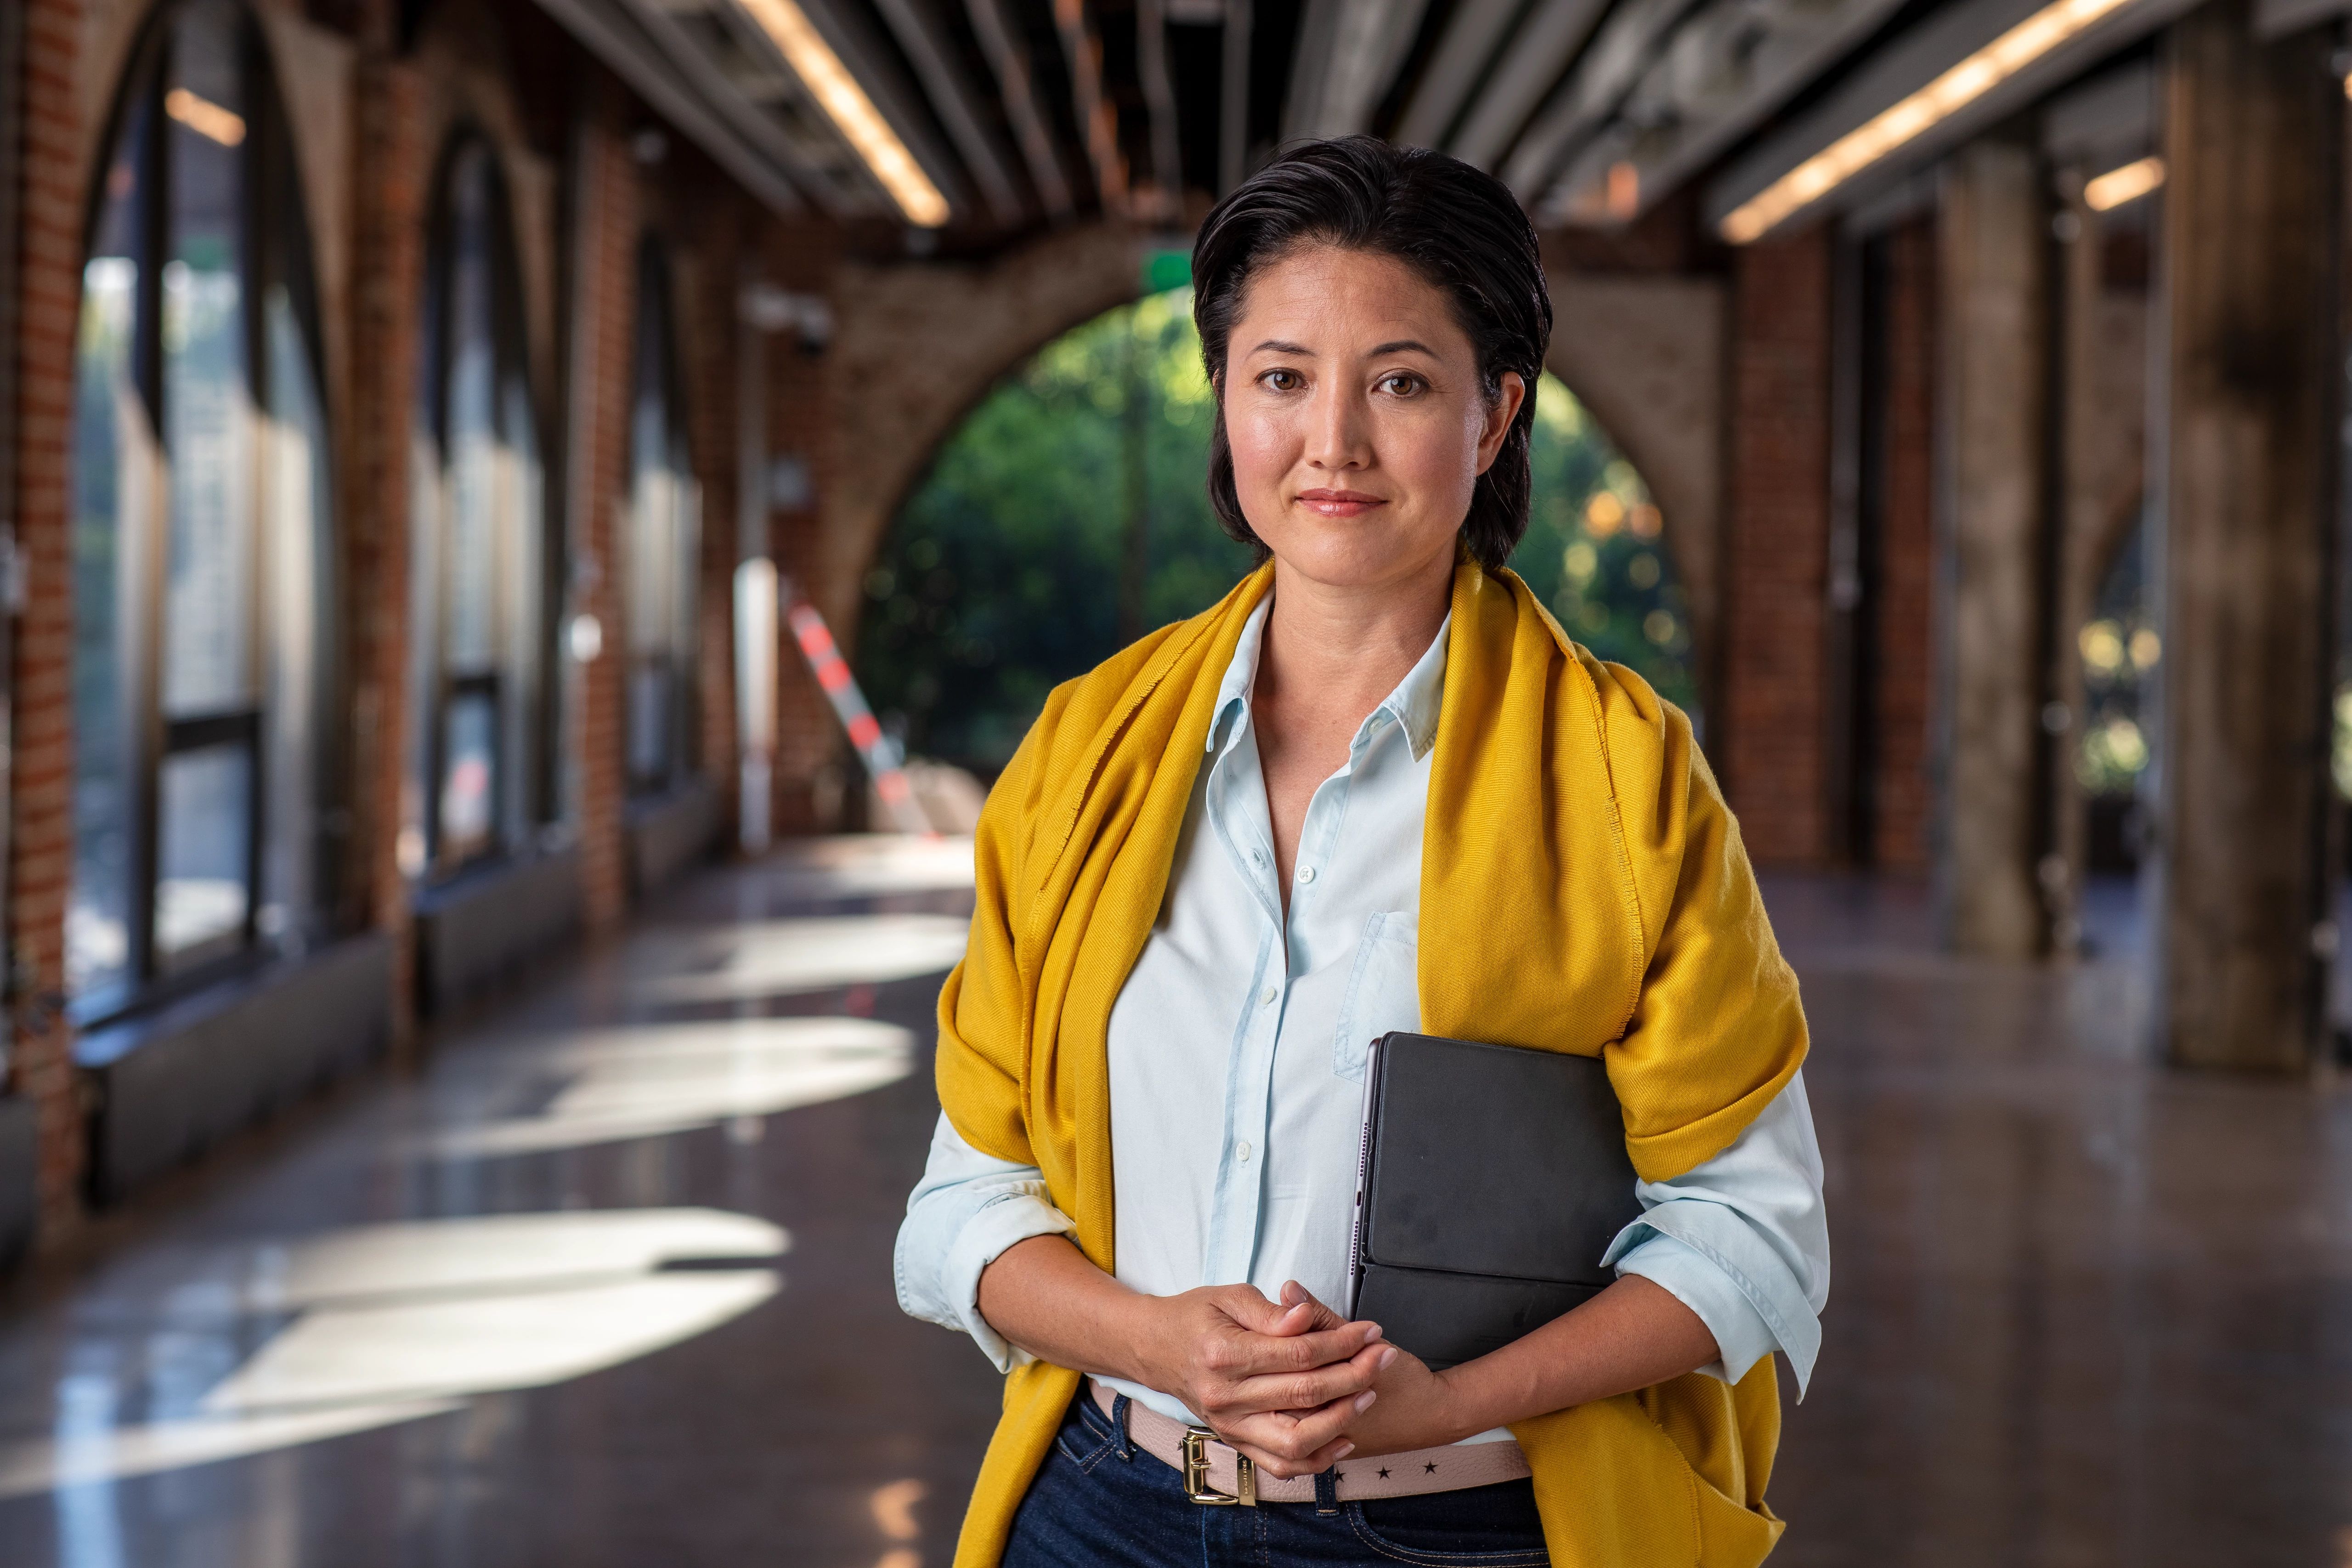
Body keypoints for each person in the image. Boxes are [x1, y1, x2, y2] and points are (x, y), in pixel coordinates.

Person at [895, 136, 1828, 1568]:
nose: (1331, 442)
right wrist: (1154, 1339)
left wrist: (1443, 1401)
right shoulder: (1090, 751)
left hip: (1459, 1533)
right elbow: (965, 1199)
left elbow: (1750, 1234)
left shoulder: (1625, 779)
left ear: (1496, 413)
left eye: (1399, 381)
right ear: (1226, 398)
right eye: (1282, 378)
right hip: (1101, 1516)